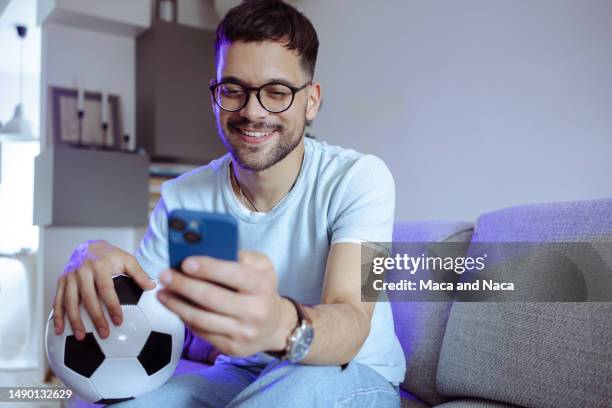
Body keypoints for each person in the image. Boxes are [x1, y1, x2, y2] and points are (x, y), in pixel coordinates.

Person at [52, 0, 405, 406]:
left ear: (311, 101)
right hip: (241, 371)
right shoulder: (185, 198)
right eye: (233, 90)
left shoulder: (360, 179)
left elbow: (352, 320)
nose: (252, 111)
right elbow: (147, 311)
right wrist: (93, 253)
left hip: (352, 371)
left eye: (277, 92)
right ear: (215, 95)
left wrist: (278, 325)